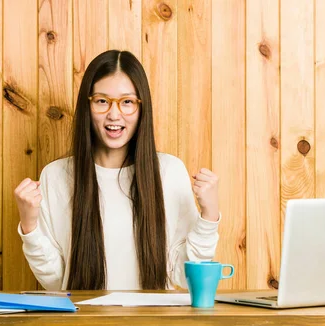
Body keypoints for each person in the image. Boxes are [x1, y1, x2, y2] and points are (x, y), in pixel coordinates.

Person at [14, 50, 221, 291]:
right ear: (87, 105)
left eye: (127, 102)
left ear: (142, 107)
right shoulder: (56, 176)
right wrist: (29, 225)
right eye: (102, 101)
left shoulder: (170, 172)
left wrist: (209, 215)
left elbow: (184, 275)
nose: (114, 114)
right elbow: (56, 281)